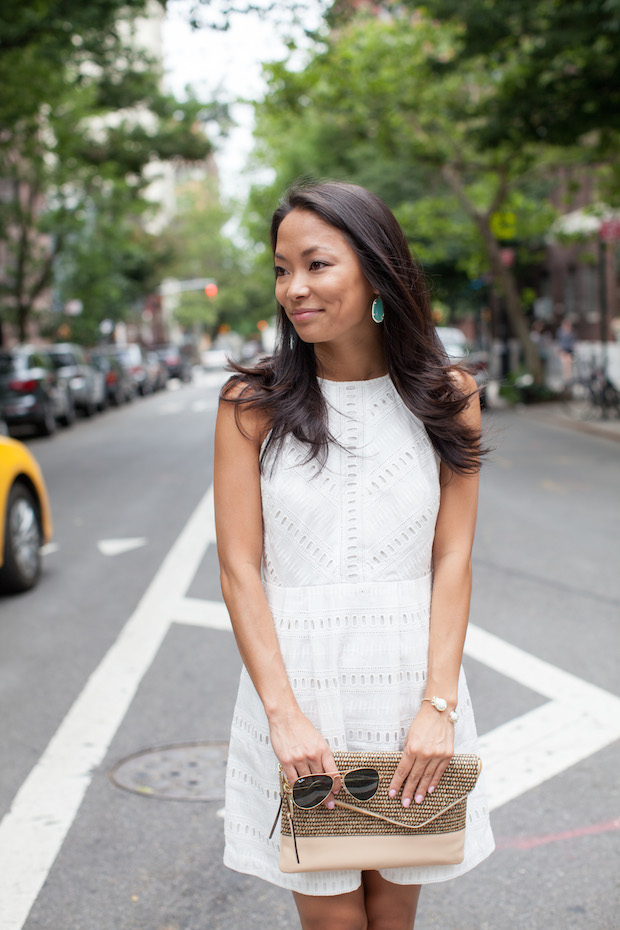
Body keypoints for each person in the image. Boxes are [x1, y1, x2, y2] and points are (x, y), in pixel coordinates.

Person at [214, 180, 494, 930]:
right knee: (334, 922)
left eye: (315, 265)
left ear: (375, 271)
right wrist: (285, 718)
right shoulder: (252, 405)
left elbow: (453, 561)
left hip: (412, 695)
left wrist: (438, 707)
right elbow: (240, 568)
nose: (293, 289)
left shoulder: (449, 396)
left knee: (394, 915)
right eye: (281, 270)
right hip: (299, 698)